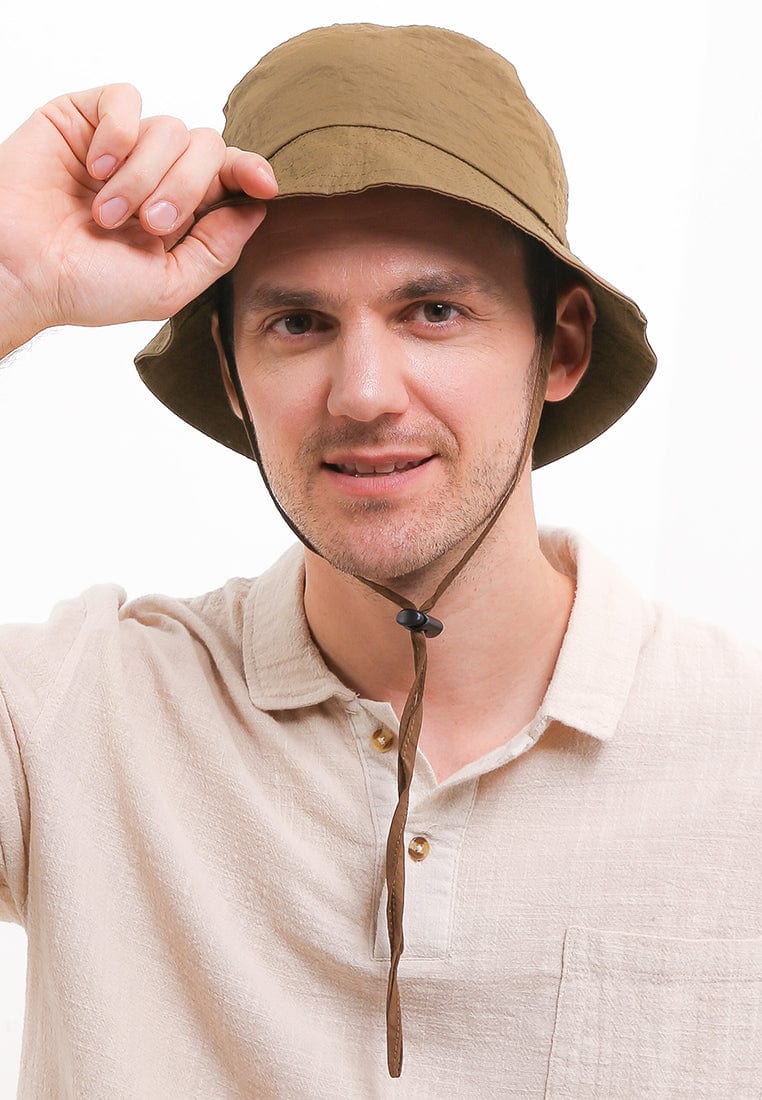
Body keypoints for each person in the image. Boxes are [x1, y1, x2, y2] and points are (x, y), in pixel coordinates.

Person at [1, 21, 760, 1099]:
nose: (363, 392)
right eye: (300, 322)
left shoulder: (740, 752)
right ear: (228, 367)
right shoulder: (76, 720)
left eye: (434, 310)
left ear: (564, 346)